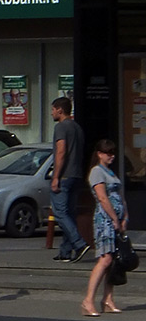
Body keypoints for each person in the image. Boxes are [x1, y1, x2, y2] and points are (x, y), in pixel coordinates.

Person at [81, 139, 129, 316]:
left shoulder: (111, 172)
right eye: (108, 152)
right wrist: (114, 218)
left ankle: (108, 298)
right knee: (105, 259)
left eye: (113, 152)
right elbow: (102, 198)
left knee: (113, 261)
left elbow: (120, 196)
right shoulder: (96, 172)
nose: (112, 155)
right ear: (99, 154)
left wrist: (125, 217)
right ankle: (88, 300)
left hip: (116, 219)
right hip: (105, 220)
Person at [49, 96, 90, 263]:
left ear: (60, 110)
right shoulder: (77, 128)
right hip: (77, 175)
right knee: (70, 213)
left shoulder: (61, 127)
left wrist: (56, 176)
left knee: (60, 212)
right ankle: (66, 251)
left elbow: (61, 152)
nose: (51, 113)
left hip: (64, 175)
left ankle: (79, 243)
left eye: (52, 109)